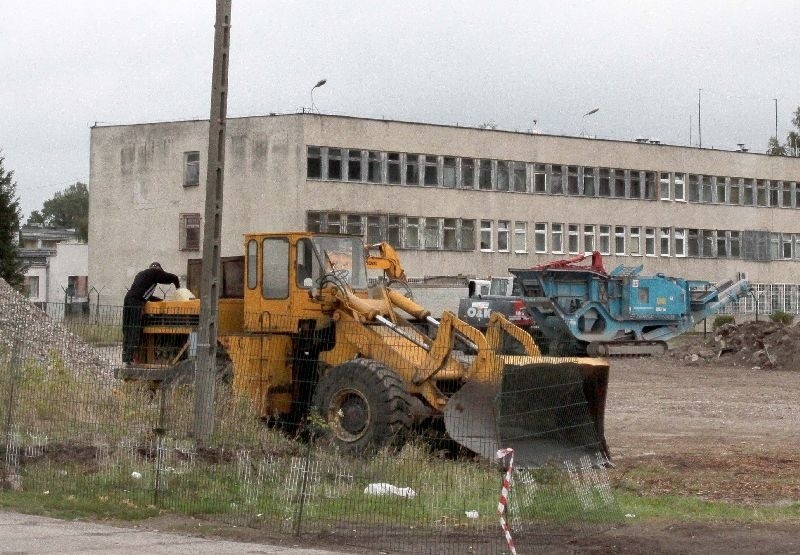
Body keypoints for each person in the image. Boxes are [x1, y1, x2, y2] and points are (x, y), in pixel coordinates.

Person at [122, 262, 180, 364]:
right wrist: (178, 286)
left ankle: (126, 356)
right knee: (135, 329)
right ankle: (129, 358)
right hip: (136, 302)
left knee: (128, 328)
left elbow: (147, 296)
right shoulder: (154, 272)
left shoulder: (142, 276)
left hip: (128, 299)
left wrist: (160, 301)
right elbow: (171, 277)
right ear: (158, 270)